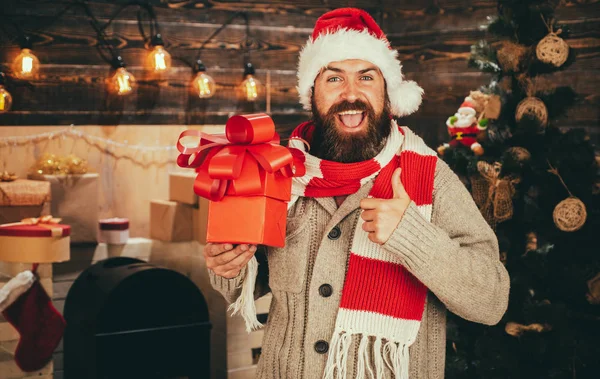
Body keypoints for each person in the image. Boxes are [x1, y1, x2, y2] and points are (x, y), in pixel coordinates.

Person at [204, 7, 509, 379]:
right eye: (334, 79)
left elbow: (492, 300)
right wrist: (229, 269)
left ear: (387, 91)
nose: (351, 94)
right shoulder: (278, 172)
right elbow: (245, 293)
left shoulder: (430, 178)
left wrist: (412, 235)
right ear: (311, 92)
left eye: (366, 77)